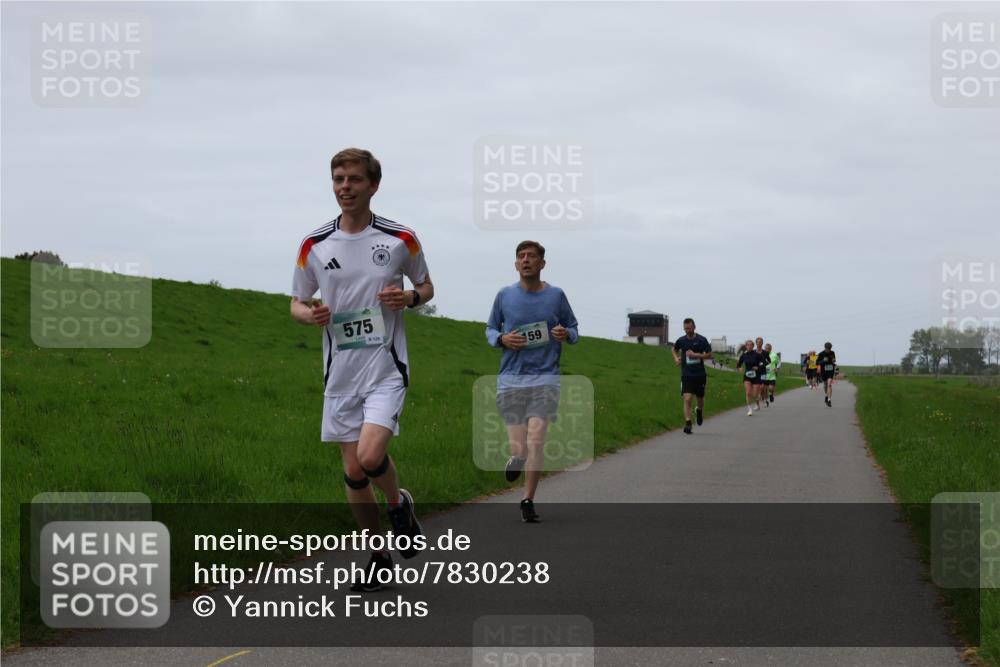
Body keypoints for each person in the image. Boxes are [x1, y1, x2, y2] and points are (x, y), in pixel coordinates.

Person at [290, 148, 434, 591]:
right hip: (340, 373)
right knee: (353, 473)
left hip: (385, 367)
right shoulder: (313, 245)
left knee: (371, 459)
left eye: (353, 179)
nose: (344, 187)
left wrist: (409, 298)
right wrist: (307, 315)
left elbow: (426, 286)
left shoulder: (400, 239)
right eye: (338, 179)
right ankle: (378, 555)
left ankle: (397, 502)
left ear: (373, 185)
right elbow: (296, 300)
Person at [486, 240, 579, 523]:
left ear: (542, 264)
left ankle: (527, 500)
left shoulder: (556, 295)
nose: (526, 260)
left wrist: (566, 334)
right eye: (521, 256)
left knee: (536, 440)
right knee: (520, 449)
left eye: (531, 256)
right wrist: (501, 339)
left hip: (546, 378)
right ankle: (517, 458)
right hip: (511, 380)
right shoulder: (504, 295)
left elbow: (574, 329)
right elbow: (490, 329)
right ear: (516, 264)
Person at [672, 318, 713, 434]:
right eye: (685, 329)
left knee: (700, 399)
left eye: (689, 328)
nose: (687, 331)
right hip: (686, 374)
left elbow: (710, 355)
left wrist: (696, 355)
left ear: (694, 327)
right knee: (687, 398)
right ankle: (688, 423)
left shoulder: (702, 340)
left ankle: (699, 411)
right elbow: (674, 349)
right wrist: (676, 358)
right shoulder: (681, 340)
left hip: (700, 374)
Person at [736, 340, 765, 416]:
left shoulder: (757, 355)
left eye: (751, 345)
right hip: (747, 376)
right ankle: (749, 409)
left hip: (756, 376)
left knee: (755, 395)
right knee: (748, 393)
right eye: (748, 345)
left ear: (753, 346)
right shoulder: (744, 355)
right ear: (746, 346)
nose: (749, 346)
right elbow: (738, 365)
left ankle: (757, 403)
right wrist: (739, 368)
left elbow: (763, 363)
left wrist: (758, 367)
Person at [816, 342, 837, 406]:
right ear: (825, 348)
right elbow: (817, 363)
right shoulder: (821, 354)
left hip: (831, 370)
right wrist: (823, 361)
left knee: (829, 384)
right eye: (828, 349)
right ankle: (826, 395)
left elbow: (834, 359)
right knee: (825, 385)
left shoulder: (832, 352)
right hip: (824, 371)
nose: (829, 350)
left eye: (830, 349)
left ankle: (829, 400)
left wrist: (833, 360)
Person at [754, 337, 769, 408]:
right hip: (755, 372)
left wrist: (763, 364)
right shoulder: (753, 352)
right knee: (757, 389)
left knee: (762, 387)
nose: (759, 343)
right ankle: (757, 405)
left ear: (762, 343)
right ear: (756, 343)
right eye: (757, 342)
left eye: (760, 342)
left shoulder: (765, 352)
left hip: (763, 372)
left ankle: (764, 400)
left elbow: (769, 361)